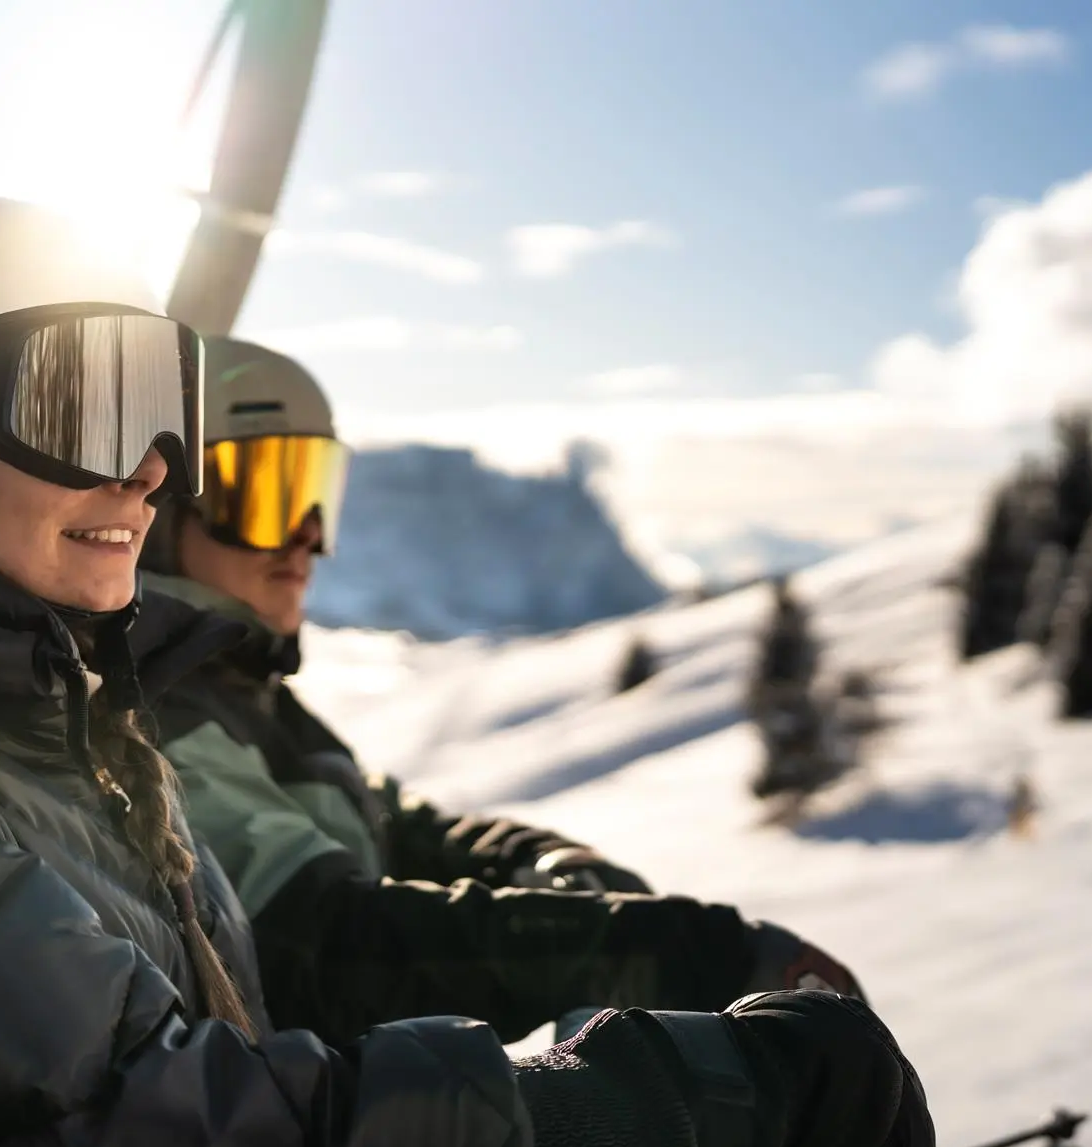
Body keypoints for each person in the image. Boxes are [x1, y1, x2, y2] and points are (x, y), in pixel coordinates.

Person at [0, 196, 934, 1147]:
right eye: (79, 406)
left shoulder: (28, 702)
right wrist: (655, 1089)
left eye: (158, 408)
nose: (149, 468)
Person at [139, 338, 865, 1047]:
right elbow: (329, 945)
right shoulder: (158, 709)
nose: (303, 538)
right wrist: (664, 950)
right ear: (161, 515)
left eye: (312, 496)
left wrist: (540, 862)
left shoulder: (244, 691)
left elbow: (393, 825)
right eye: (263, 497)